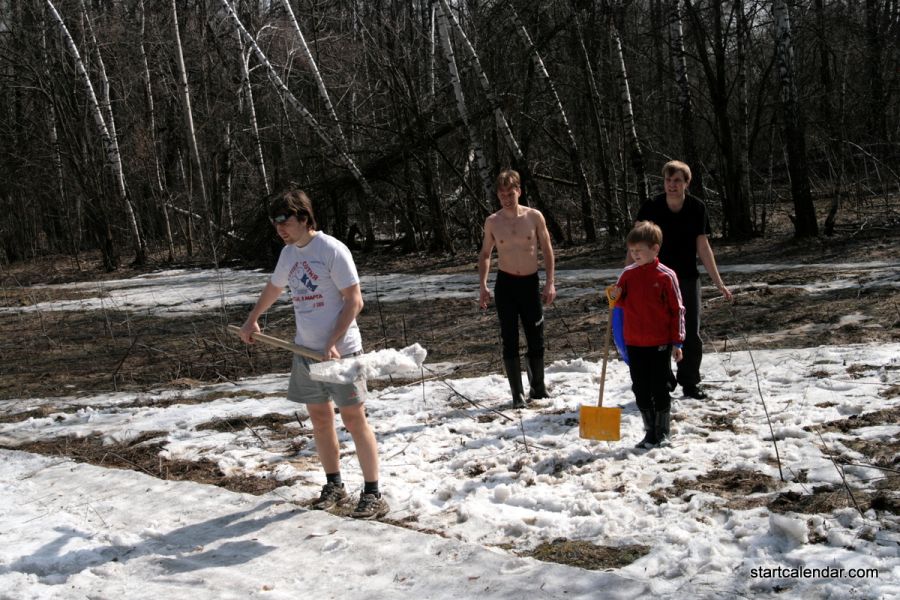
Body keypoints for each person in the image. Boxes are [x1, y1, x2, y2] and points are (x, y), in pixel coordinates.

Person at [239, 188, 388, 520]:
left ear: (304, 217)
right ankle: (334, 484)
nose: (280, 228)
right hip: (305, 351)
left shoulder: (331, 249)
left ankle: (373, 492)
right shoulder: (289, 254)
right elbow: (275, 288)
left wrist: (333, 342)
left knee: (353, 418)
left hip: (342, 353)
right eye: (274, 222)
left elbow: (354, 301)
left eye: (285, 220)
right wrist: (252, 319)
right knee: (320, 420)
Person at [633, 160, 732, 399]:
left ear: (687, 183)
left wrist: (718, 282)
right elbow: (635, 244)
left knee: (690, 332)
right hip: (654, 278)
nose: (672, 185)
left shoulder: (697, 208)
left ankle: (690, 382)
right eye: (668, 180)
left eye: (677, 180)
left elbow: (703, 247)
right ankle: (663, 380)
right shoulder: (651, 206)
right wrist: (627, 276)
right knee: (659, 332)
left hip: (686, 278)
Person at [478, 169, 556, 409]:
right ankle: (517, 394)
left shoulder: (534, 217)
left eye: (510, 193)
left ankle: (538, 387)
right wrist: (483, 285)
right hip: (506, 285)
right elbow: (485, 255)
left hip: (530, 283)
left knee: (536, 335)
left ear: (519, 191)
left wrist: (550, 282)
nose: (506, 198)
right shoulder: (493, 221)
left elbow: (547, 249)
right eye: (502, 195)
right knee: (509, 337)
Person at [611, 221, 685, 448]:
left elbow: (677, 309)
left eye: (639, 251)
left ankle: (663, 430)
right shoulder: (628, 274)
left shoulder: (666, 276)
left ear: (655, 249)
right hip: (634, 341)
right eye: (632, 251)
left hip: (659, 342)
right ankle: (649, 430)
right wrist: (614, 296)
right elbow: (620, 301)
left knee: (659, 386)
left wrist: (677, 342)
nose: (635, 255)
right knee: (640, 387)